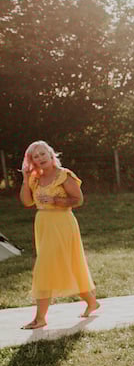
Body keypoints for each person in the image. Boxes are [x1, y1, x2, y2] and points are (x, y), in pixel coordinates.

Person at [18, 141, 100, 329]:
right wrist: (24, 179)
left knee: (44, 266)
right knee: (68, 264)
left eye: (42, 154)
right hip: (43, 224)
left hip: (62, 223)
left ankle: (40, 318)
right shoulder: (35, 178)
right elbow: (27, 202)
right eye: (35, 157)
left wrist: (54, 200)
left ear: (50, 153)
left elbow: (78, 200)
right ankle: (92, 302)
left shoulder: (64, 175)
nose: (40, 158)